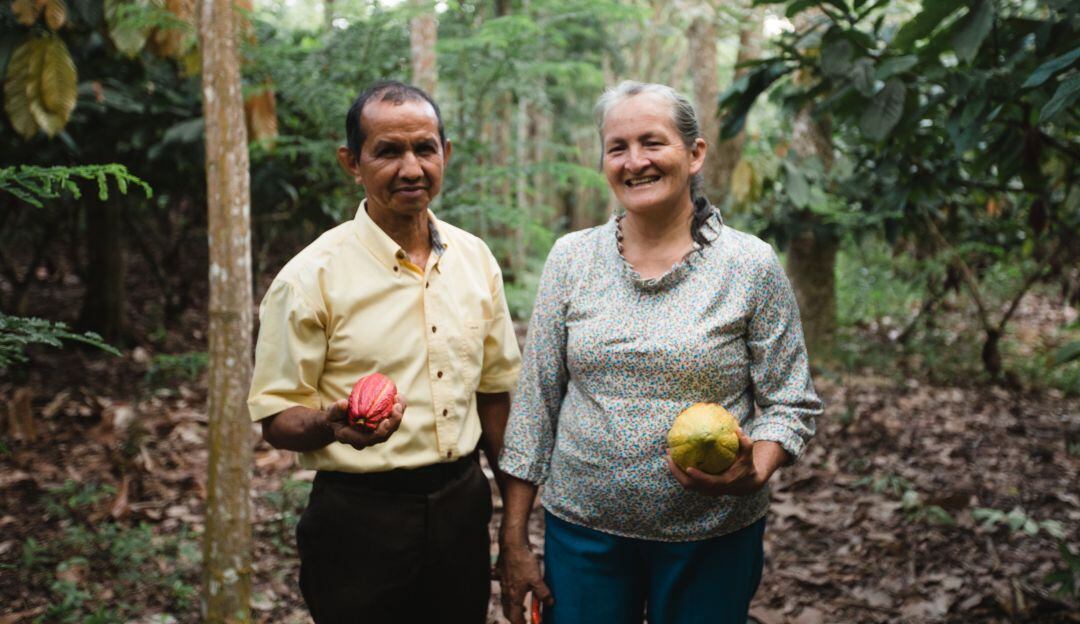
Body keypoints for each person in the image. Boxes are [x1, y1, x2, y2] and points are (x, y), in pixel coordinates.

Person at [497, 80, 823, 624]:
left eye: (653, 142)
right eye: (617, 147)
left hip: (713, 533)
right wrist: (514, 543)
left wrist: (755, 468)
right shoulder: (571, 259)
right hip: (583, 533)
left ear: (695, 154)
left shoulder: (749, 265)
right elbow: (534, 407)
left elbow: (791, 403)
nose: (635, 162)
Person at [247, 80, 522, 624]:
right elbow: (276, 418)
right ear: (352, 162)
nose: (412, 168)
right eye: (388, 151)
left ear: (446, 153)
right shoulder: (310, 278)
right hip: (359, 516)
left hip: (462, 506)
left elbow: (494, 397)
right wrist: (331, 422)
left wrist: (514, 535)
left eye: (424, 148)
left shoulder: (475, 259)